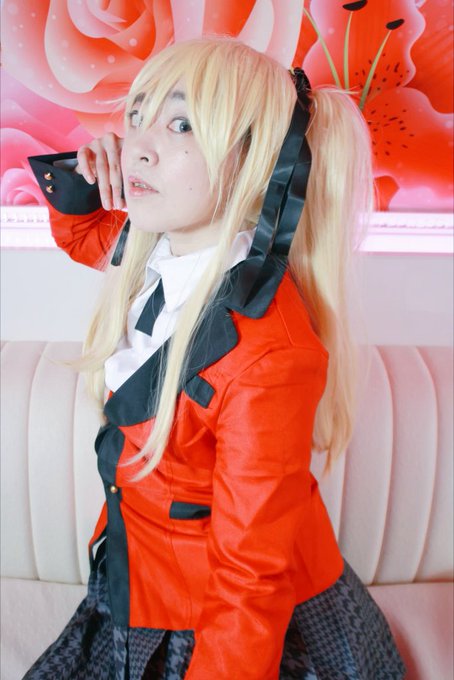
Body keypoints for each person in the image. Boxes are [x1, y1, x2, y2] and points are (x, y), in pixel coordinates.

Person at [26, 37, 405, 680]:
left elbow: (250, 578)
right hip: (139, 571)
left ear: (251, 160)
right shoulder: (157, 250)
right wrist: (85, 176)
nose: (138, 145)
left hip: (216, 625)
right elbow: (86, 235)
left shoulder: (269, 352)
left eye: (181, 124)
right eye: (137, 115)